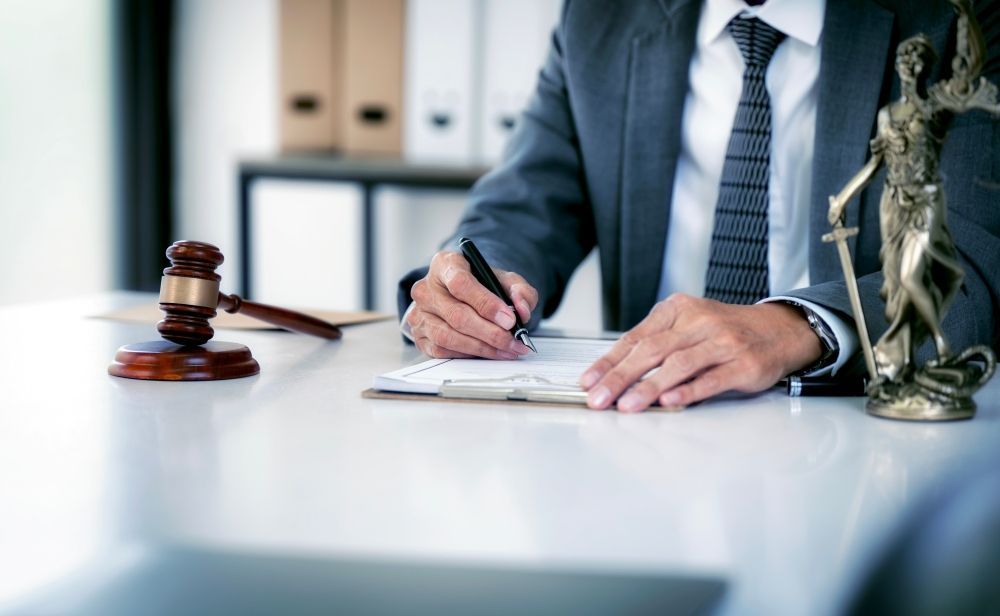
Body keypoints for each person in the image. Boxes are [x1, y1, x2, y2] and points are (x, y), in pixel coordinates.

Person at [398, 0, 1000, 413]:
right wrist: (474, 285)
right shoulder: (601, 15)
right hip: (643, 426)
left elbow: (975, 254)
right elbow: (522, 203)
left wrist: (797, 324)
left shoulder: (962, 21)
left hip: (863, 434)